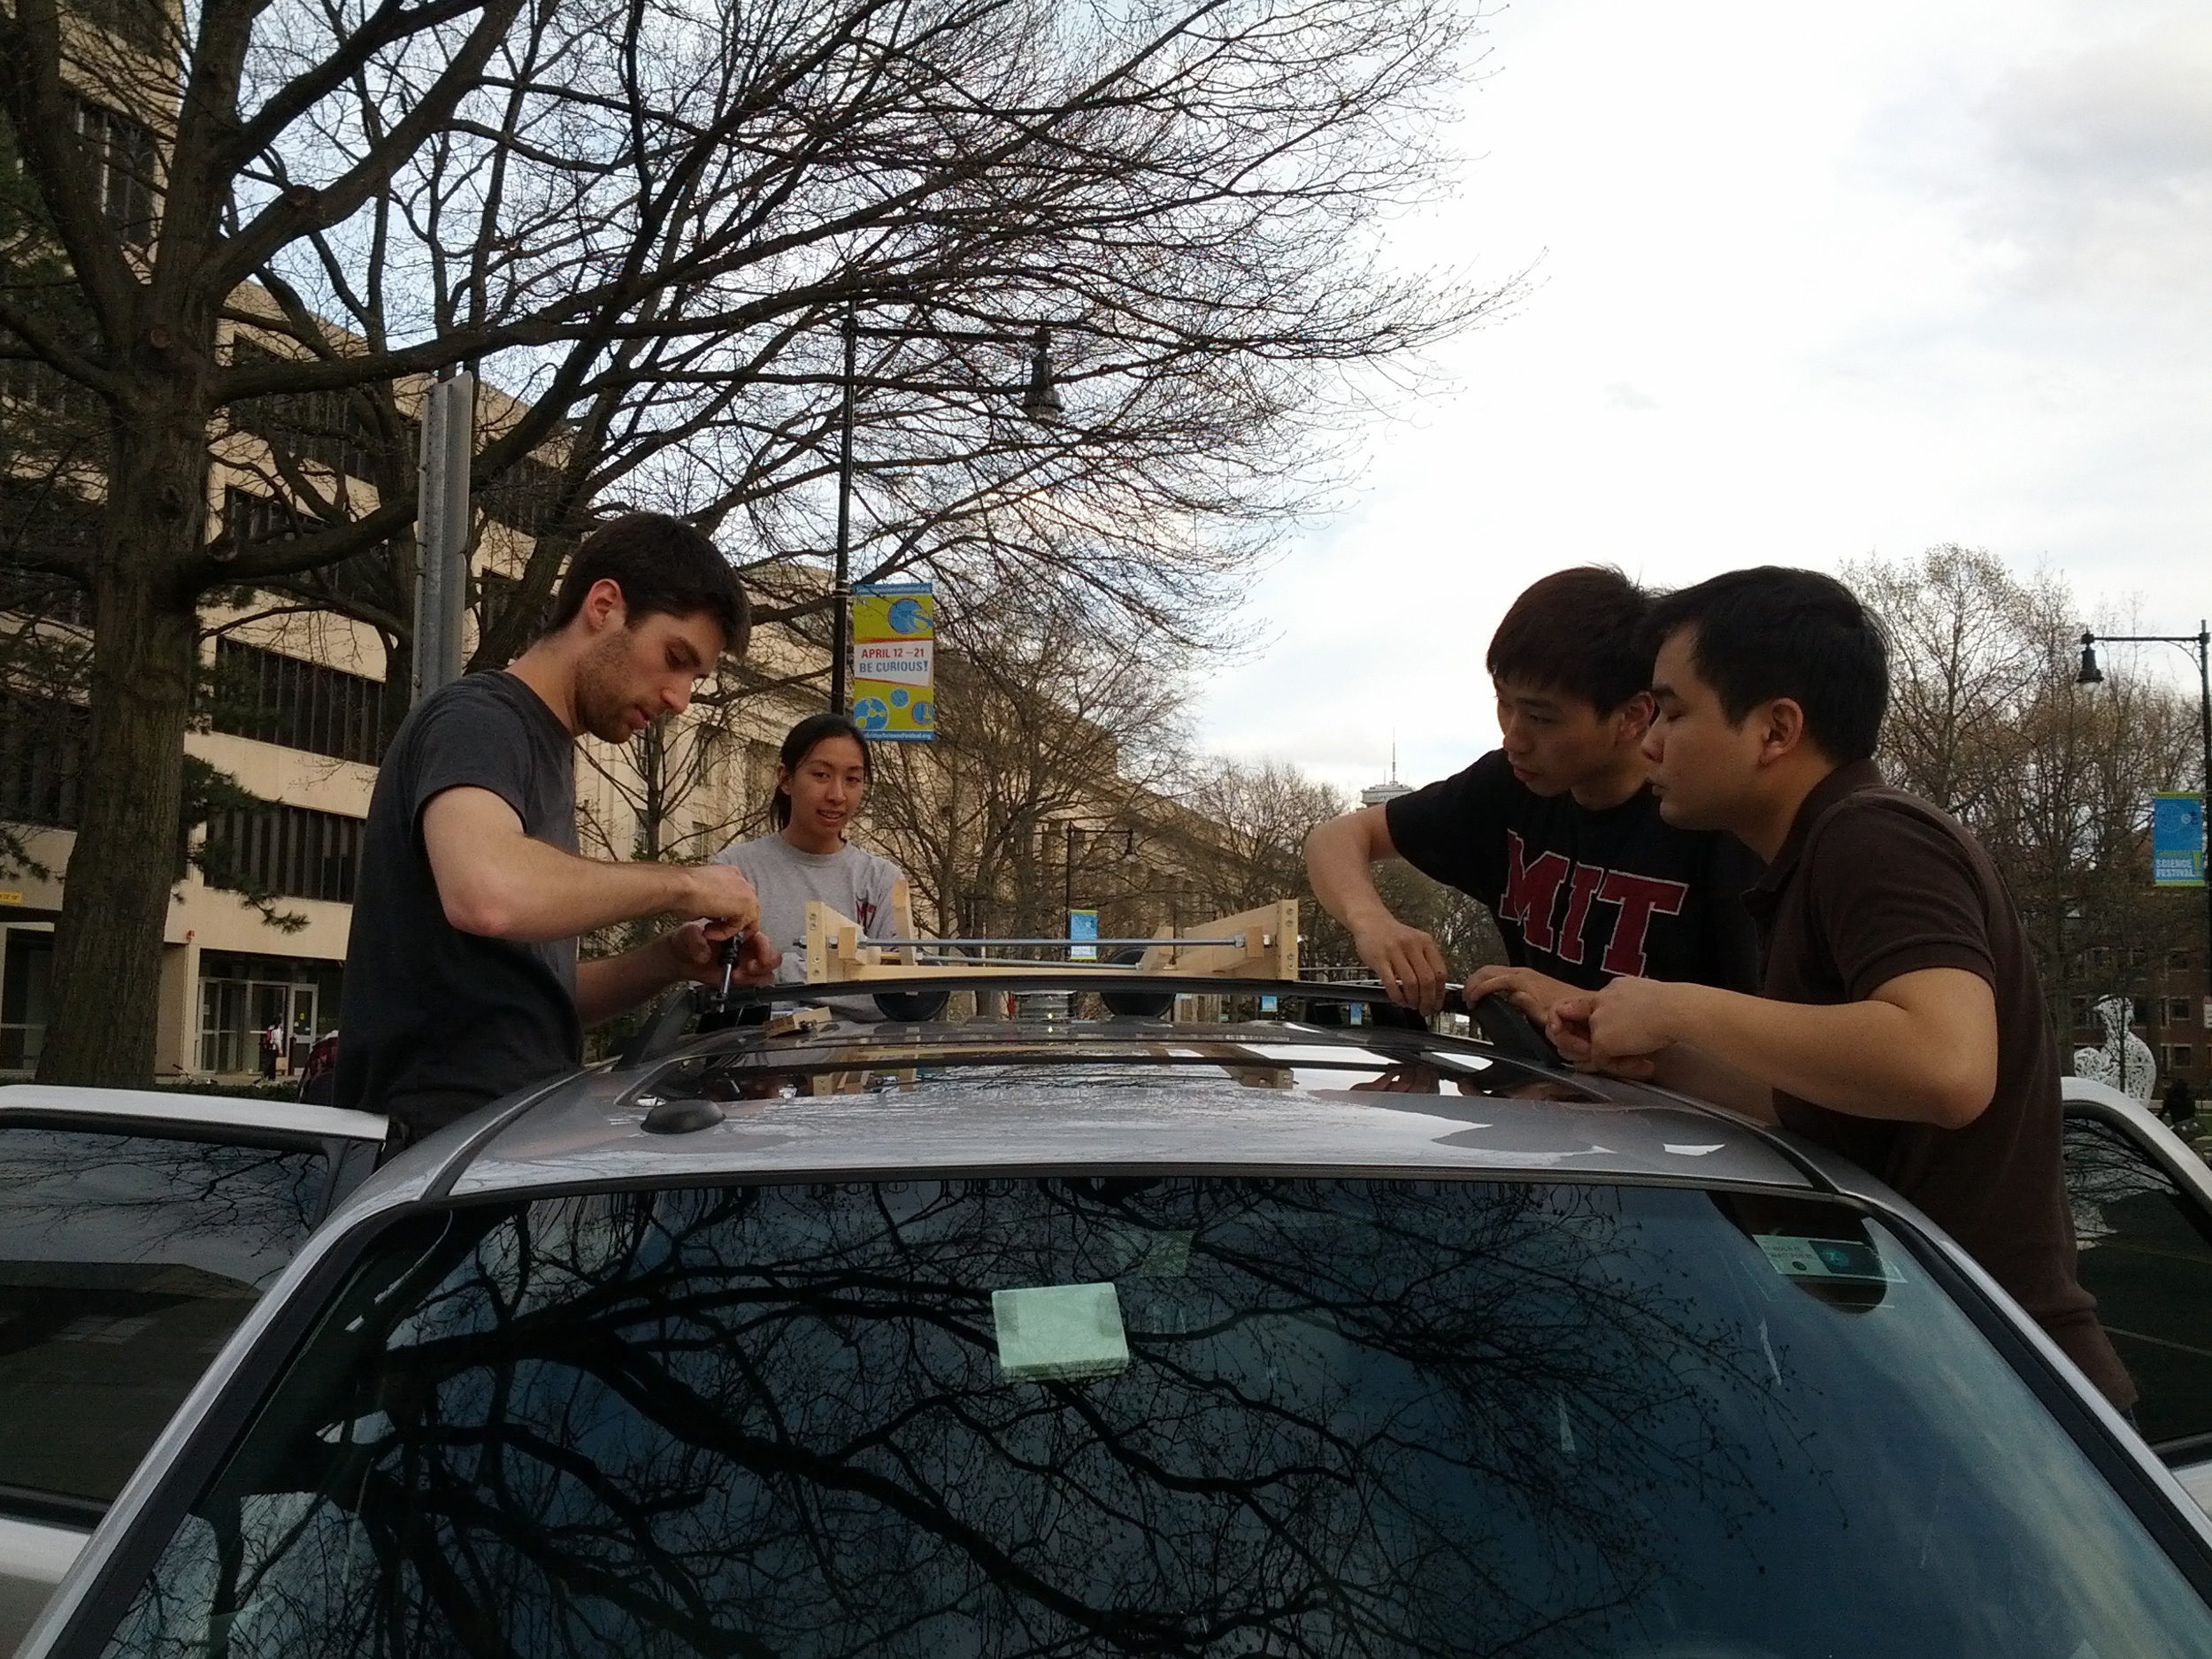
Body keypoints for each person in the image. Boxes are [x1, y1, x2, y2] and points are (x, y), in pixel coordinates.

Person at [1549, 566, 2132, 1405]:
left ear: (1776, 729)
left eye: (1672, 711)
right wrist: (1644, 1053)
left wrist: (1676, 1003)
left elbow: (1944, 1063)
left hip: (2003, 1394)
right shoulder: (1808, 861)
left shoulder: (1871, 835)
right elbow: (1821, 1103)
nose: (1649, 745)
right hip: (1936, 1370)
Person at [337, 513, 780, 1150]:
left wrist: (669, 959)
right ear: (604, 605)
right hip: (436, 1164)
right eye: (675, 658)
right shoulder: (479, 719)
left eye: (695, 678)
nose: (680, 697)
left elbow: (534, 1001)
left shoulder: (544, 749)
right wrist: (685, 884)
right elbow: (486, 895)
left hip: (503, 1144)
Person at [1304, 565, 1759, 1023]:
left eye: (1542, 718)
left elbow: (1761, 1045)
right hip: (1529, 1087)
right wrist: (1375, 924)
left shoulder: (1709, 820)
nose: (1513, 737)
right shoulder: (1509, 786)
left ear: (1633, 716)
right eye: (1504, 702)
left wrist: (1575, 1005)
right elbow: (1335, 838)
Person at [713, 712, 909, 992]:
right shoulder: (734, 871)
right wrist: (849, 976)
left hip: (862, 1038)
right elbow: (713, 977)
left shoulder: (880, 881)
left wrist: (778, 970)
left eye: (852, 779)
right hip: (749, 1035)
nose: (837, 795)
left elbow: (896, 991)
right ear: (785, 779)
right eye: (821, 775)